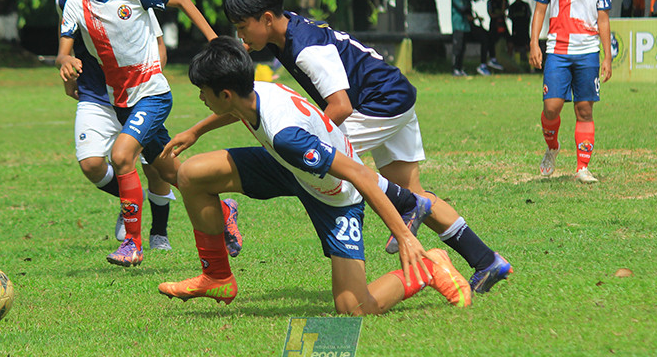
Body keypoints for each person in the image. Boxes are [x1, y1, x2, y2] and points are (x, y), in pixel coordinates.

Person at [222, 0, 511, 294]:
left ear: (266, 18)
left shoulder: (305, 48)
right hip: (394, 94)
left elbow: (341, 106)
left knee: (302, 160)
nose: (240, 35)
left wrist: (310, 139)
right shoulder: (286, 26)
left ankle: (229, 209)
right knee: (411, 195)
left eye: (242, 27)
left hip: (377, 105)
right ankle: (486, 260)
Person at [157, 36, 473, 314]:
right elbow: (236, 110)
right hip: (288, 167)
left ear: (226, 94)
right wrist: (196, 131)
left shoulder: (287, 137)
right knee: (192, 174)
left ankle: (428, 268)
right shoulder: (255, 90)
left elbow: (360, 175)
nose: (201, 98)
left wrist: (405, 237)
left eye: (203, 92)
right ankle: (217, 276)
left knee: (354, 307)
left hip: (335, 195)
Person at [56, 0, 218, 266]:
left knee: (121, 155)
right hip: (120, 99)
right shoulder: (74, 4)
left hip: (153, 94)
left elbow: (183, 1)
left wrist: (215, 42)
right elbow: (63, 51)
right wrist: (65, 62)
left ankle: (133, 243)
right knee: (172, 173)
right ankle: (225, 209)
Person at [528, 0, 612, 184]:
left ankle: (582, 167)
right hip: (557, 51)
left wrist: (607, 56)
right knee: (551, 108)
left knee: (584, 110)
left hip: (588, 52)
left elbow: (603, 18)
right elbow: (539, 11)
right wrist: (534, 43)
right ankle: (552, 148)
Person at [449, 0, 476, 76]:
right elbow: (462, 9)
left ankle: (460, 68)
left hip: (464, 26)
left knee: (462, 48)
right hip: (458, 26)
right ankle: (455, 68)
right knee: (457, 48)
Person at [507, 0, 532, 68]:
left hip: (525, 29)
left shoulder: (525, 5)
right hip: (516, 30)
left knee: (527, 47)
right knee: (516, 47)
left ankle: (531, 67)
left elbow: (529, 16)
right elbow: (510, 17)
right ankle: (518, 66)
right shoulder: (512, 6)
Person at [485, 0, 509, 71]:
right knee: (492, 41)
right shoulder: (490, 2)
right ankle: (493, 58)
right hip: (494, 24)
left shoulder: (505, 1)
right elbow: (491, 14)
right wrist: (499, 15)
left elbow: (504, 12)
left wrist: (503, 1)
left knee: (506, 40)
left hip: (502, 24)